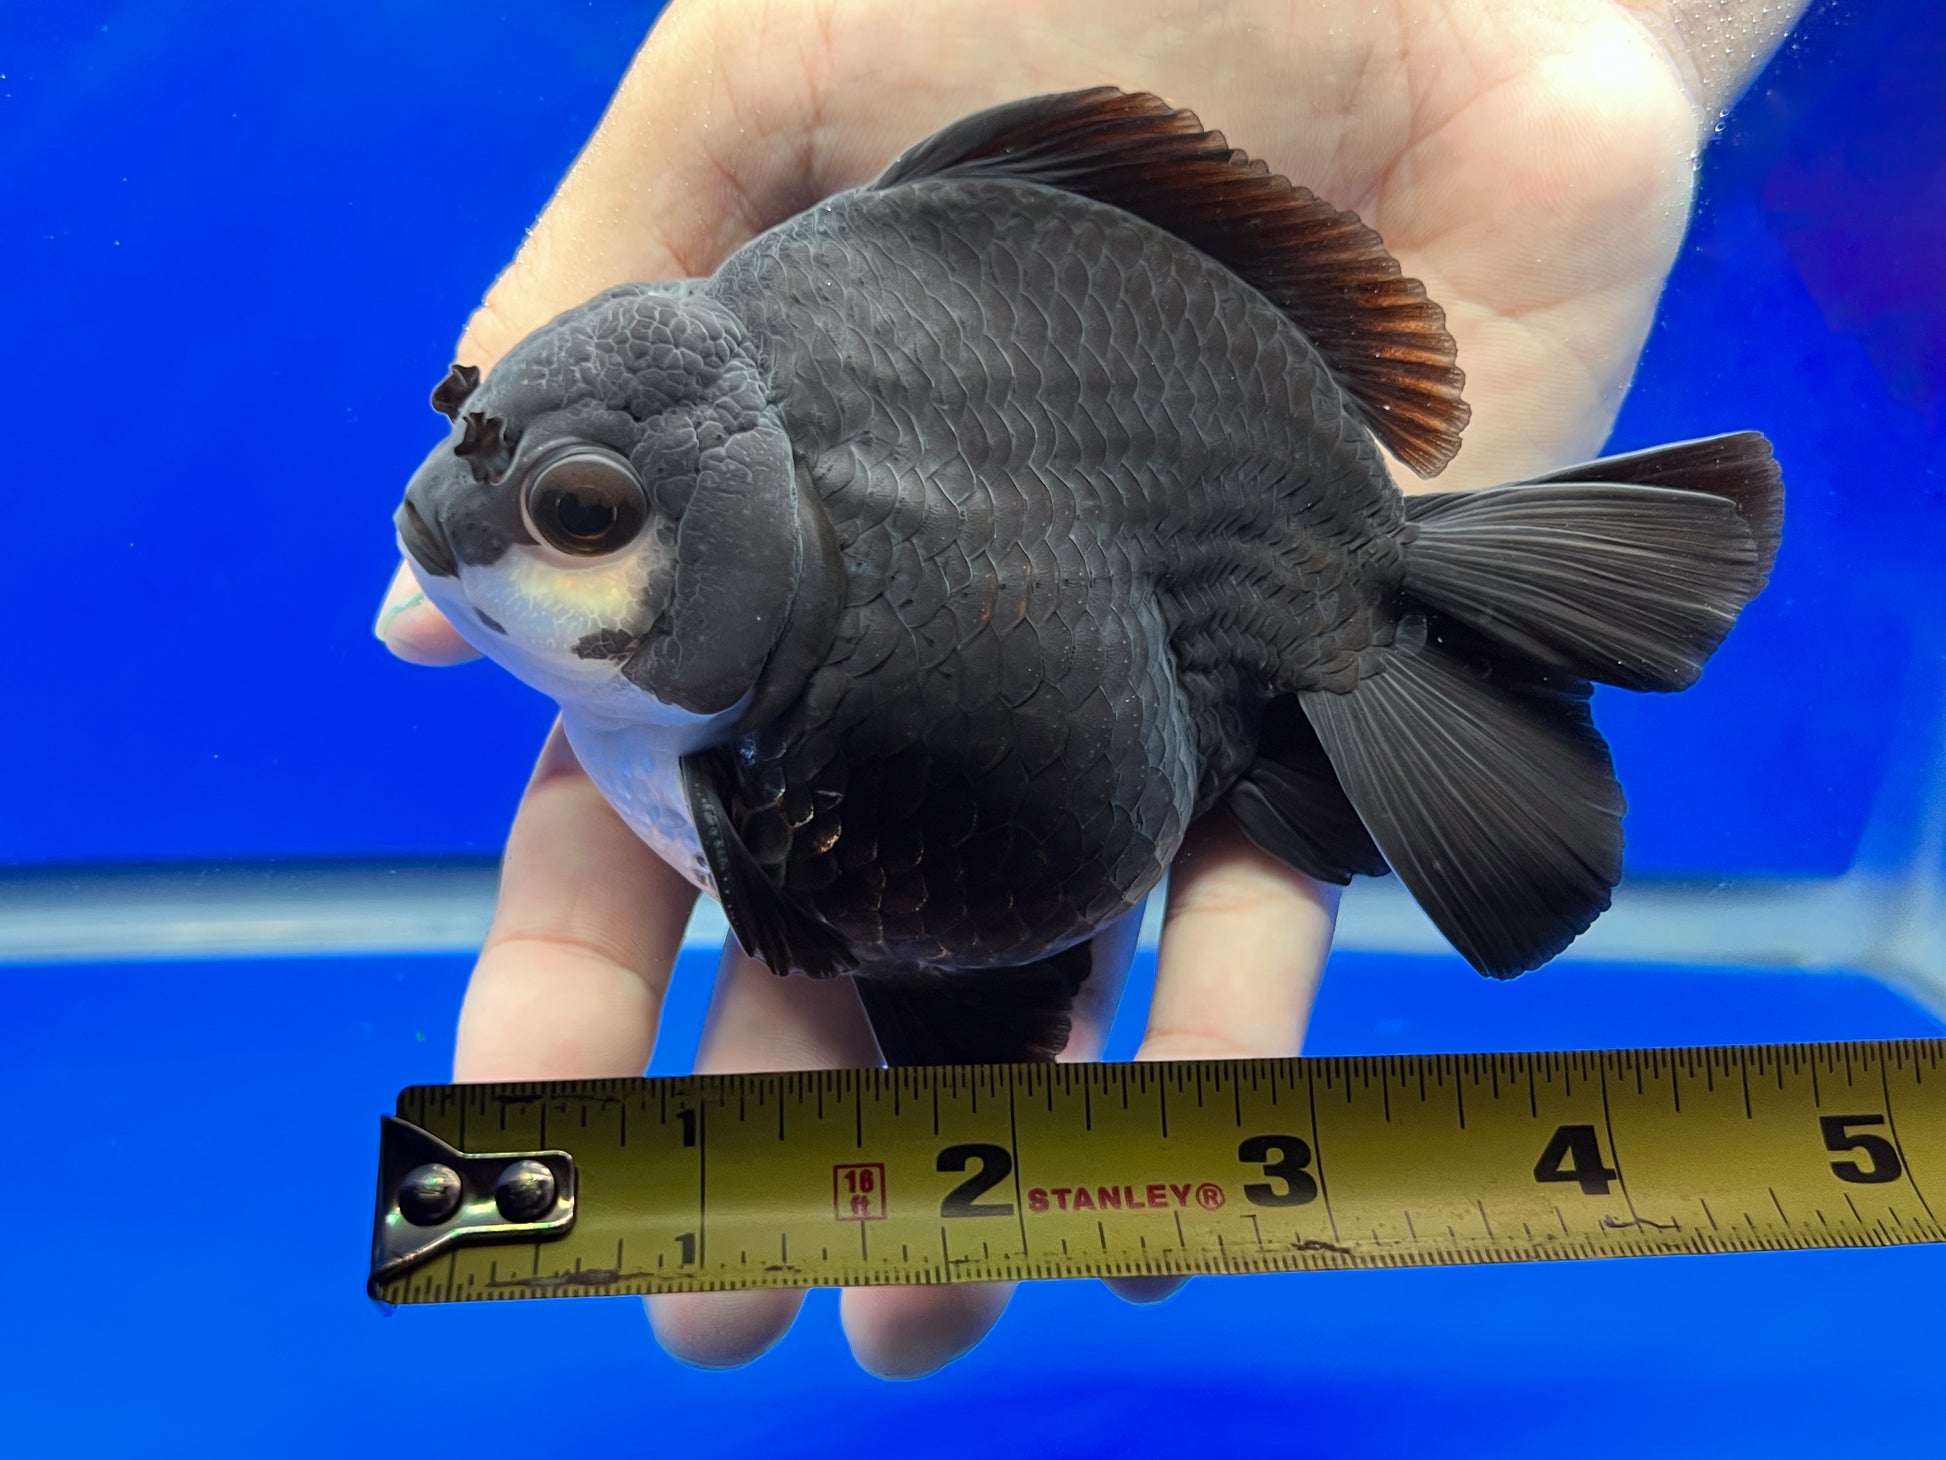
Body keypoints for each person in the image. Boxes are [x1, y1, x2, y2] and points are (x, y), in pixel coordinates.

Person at [373, 0, 1808, 1377]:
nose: (457, 520)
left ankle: (1361, 637)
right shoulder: (743, 510)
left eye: (578, 514)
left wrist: (1598, 41)